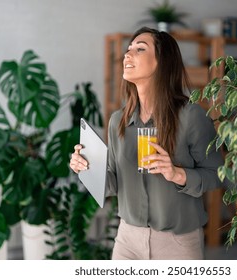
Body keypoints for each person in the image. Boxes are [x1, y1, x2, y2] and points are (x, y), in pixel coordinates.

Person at [69, 26, 223, 260]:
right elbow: (111, 185)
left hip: (177, 243)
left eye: (140, 49)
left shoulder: (191, 116)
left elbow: (218, 174)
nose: (127, 55)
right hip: (128, 239)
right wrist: (87, 167)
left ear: (162, 62)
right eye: (128, 49)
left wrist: (177, 174)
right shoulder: (118, 121)